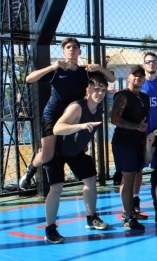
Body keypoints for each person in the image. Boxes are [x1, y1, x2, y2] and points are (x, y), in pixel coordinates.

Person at [19, 37, 116, 190]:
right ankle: (30, 172)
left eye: (75, 47)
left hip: (75, 116)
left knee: (81, 150)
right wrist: (51, 67)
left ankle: (81, 178)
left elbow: (111, 79)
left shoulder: (86, 72)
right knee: (47, 155)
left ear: (79, 51)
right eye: (68, 47)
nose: (72, 50)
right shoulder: (57, 70)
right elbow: (29, 79)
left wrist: (99, 67)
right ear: (63, 51)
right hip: (53, 115)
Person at [43, 76, 110, 243]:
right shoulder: (77, 107)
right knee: (56, 188)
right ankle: (50, 229)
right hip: (58, 151)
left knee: (90, 180)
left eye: (102, 90)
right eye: (96, 89)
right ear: (88, 90)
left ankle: (92, 218)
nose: (99, 93)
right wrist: (79, 126)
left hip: (75, 151)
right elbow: (58, 128)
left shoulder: (99, 109)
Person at [111, 65, 150, 230]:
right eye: (135, 75)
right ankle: (127, 217)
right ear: (128, 77)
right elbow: (115, 119)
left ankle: (130, 211)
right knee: (127, 180)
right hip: (124, 143)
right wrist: (136, 127)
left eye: (141, 76)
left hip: (137, 144)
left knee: (133, 178)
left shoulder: (144, 97)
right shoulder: (122, 96)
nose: (138, 78)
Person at [130, 52, 157, 214]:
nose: (151, 64)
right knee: (138, 167)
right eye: (148, 62)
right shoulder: (140, 84)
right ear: (144, 64)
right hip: (141, 131)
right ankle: (135, 197)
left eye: (154, 61)